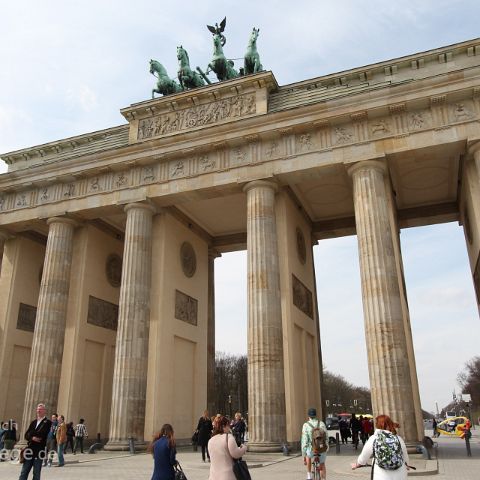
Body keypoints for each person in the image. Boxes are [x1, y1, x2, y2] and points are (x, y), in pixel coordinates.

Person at [351, 414, 410, 479]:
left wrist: (357, 464)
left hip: (381, 476)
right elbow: (405, 456)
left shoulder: (374, 438)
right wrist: (407, 465)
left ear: (377, 425)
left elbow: (364, 456)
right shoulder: (398, 438)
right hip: (400, 475)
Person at [18, 403, 52, 480]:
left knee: (36, 473)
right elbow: (26, 435)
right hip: (29, 450)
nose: (38, 411)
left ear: (44, 411)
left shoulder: (48, 422)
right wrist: (32, 438)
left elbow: (42, 434)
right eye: (37, 409)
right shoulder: (33, 422)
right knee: (24, 472)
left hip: (39, 451)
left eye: (40, 409)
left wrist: (31, 434)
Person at [208, 415, 247, 480]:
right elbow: (235, 454)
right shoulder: (228, 437)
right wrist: (244, 448)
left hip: (213, 476)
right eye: (228, 425)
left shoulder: (211, 440)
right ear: (223, 426)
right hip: (227, 475)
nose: (229, 428)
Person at [301, 407, 328, 480]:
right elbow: (326, 437)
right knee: (322, 464)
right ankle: (323, 478)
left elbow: (304, 441)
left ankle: (309, 475)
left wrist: (303, 455)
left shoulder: (306, 425)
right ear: (316, 415)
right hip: (322, 448)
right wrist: (326, 448)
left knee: (308, 457)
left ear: (308, 416)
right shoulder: (322, 423)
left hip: (311, 449)